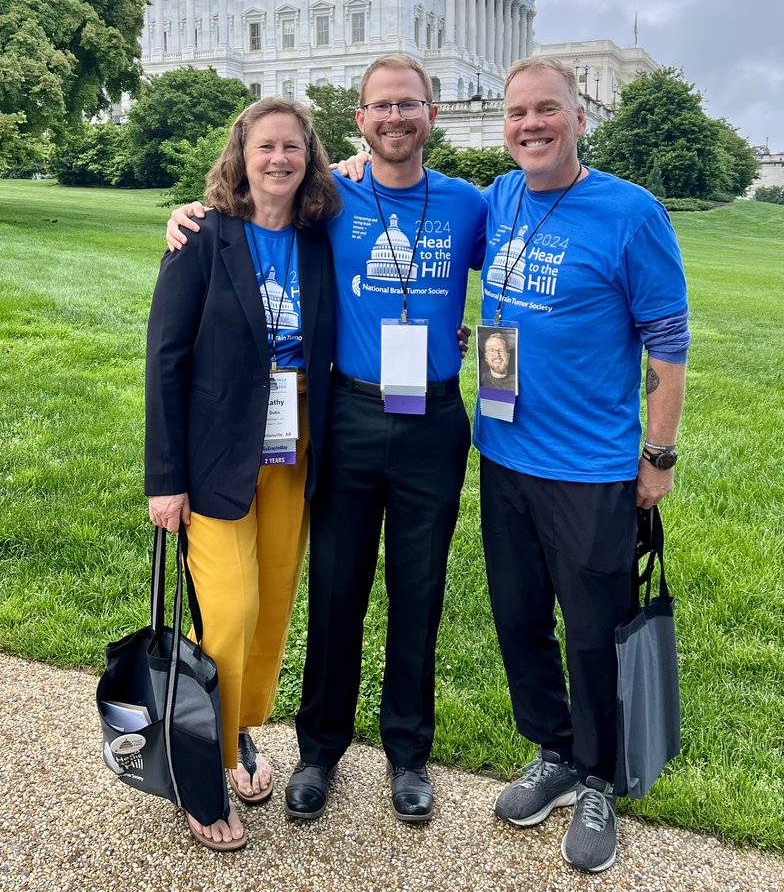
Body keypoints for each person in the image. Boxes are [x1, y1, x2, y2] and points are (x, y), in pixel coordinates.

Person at [167, 55, 487, 825]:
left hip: (433, 417)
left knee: (418, 592)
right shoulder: (332, 198)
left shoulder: (470, 205)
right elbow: (248, 207)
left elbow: (519, 267)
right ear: (360, 120)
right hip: (343, 413)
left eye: (408, 105)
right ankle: (319, 749)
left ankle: (408, 753)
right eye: (380, 106)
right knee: (336, 590)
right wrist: (182, 214)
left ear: (431, 115)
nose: (394, 118)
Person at [478, 57, 689, 874]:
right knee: (520, 619)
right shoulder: (498, 199)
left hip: (593, 467)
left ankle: (600, 775)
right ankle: (554, 752)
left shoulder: (630, 213)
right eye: (517, 113)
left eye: (547, 111)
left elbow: (667, 348)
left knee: (594, 632)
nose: (531, 125)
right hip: (503, 453)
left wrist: (658, 457)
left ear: (579, 118)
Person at [146, 98, 339, 850]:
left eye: (294, 147)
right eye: (266, 147)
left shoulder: (321, 239)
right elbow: (165, 360)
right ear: (241, 153)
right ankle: (202, 770)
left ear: (309, 157)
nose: (280, 160)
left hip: (291, 458)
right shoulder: (201, 235)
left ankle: (240, 734)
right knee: (227, 613)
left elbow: (378, 173)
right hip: (213, 457)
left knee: (269, 615)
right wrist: (165, 478)